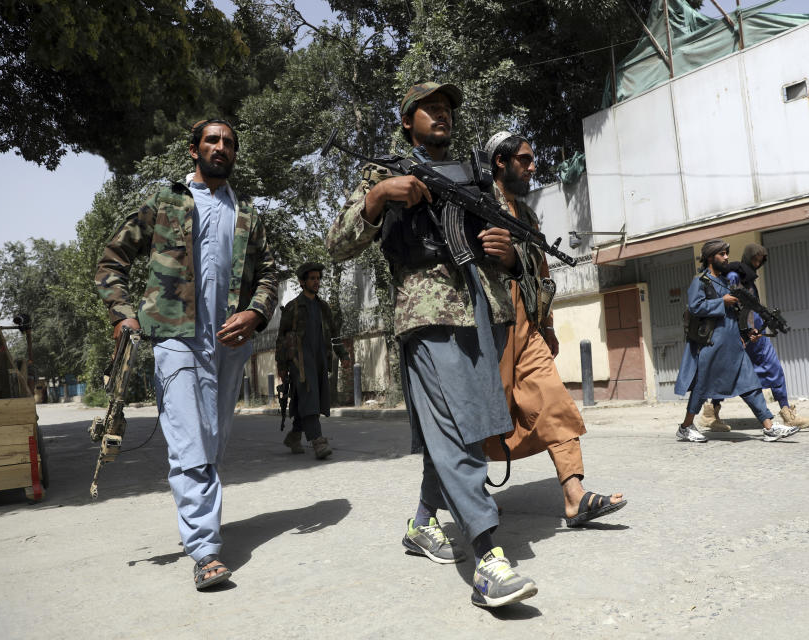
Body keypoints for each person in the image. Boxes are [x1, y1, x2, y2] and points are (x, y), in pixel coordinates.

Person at [325, 82, 537, 608]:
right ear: (406, 122)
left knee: (467, 427)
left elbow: (520, 250)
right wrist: (377, 198)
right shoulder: (383, 174)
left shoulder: (476, 176)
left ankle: (422, 523)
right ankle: (488, 557)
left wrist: (508, 255)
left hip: (483, 314)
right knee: (455, 434)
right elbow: (336, 244)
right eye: (430, 108)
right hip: (428, 315)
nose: (441, 115)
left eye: (447, 109)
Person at [95, 119, 278, 590]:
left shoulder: (248, 215)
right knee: (189, 441)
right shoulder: (166, 203)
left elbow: (271, 276)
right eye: (213, 140)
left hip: (229, 343)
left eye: (230, 142)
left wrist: (255, 314)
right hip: (174, 338)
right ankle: (205, 550)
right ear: (193, 149)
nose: (221, 147)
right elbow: (112, 259)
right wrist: (122, 313)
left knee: (211, 440)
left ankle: (202, 520)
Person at [482, 130, 626, 527]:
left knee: (554, 398)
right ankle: (466, 494)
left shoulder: (526, 216)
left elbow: (542, 274)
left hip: (526, 326)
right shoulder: (478, 204)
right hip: (488, 327)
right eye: (524, 160)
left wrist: (546, 323)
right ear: (501, 162)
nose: (532, 167)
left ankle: (574, 496)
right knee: (482, 413)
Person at [673, 239, 799, 443]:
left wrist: (748, 333)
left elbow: (735, 314)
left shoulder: (725, 282)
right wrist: (721, 301)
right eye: (721, 254)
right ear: (710, 257)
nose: (726, 257)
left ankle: (768, 426)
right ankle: (686, 427)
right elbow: (696, 307)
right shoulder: (701, 281)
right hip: (711, 345)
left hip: (733, 344)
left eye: (726, 253)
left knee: (750, 384)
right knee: (701, 387)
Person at [699, 243, 809, 432]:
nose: (758, 264)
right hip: (739, 333)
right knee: (728, 375)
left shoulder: (750, 280)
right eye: (755, 259)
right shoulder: (734, 275)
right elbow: (733, 304)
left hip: (756, 333)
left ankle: (787, 413)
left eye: (761, 261)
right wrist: (743, 330)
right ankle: (711, 413)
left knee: (774, 369)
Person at [276, 261, 343, 457]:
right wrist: (281, 364)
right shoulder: (293, 307)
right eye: (312, 278)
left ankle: (295, 436)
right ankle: (318, 441)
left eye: (318, 278)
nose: (316, 282)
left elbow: (335, 333)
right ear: (302, 282)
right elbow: (281, 337)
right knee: (309, 396)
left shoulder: (323, 307)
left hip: (320, 360)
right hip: (300, 363)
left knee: (307, 399)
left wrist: (343, 354)